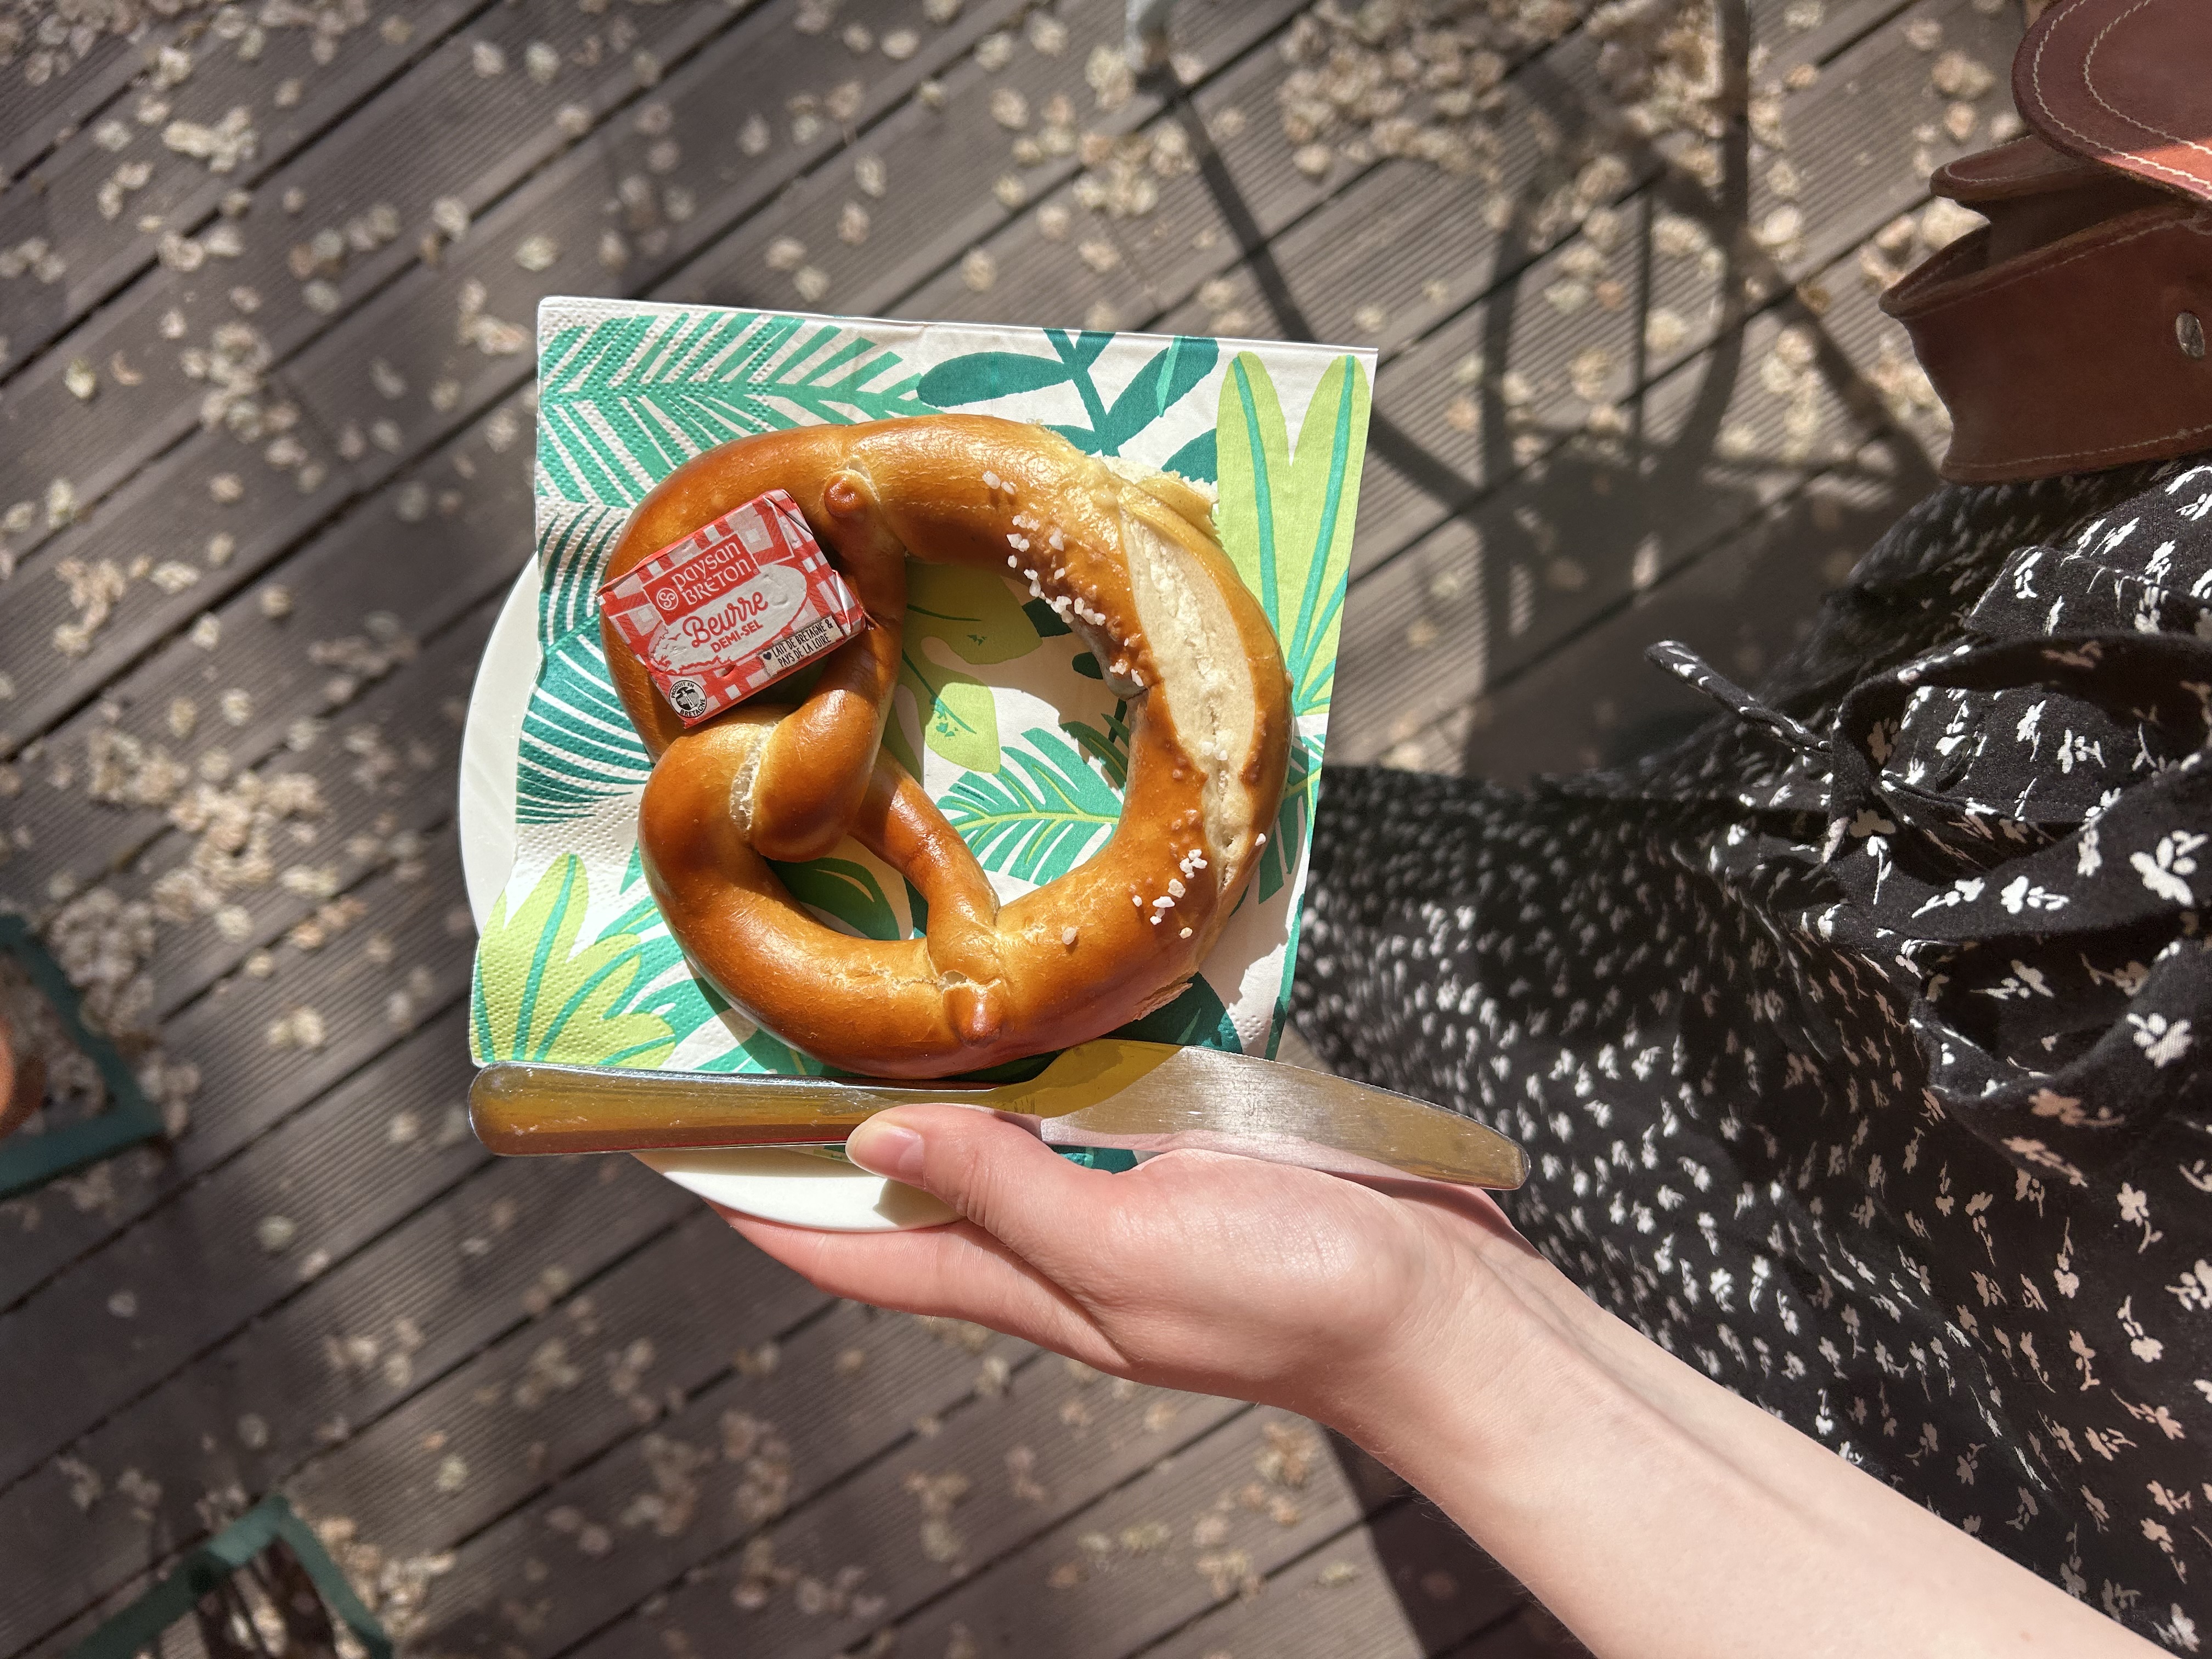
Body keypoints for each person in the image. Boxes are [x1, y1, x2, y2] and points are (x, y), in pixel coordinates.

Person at [729, 0, 2211, 1650]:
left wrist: (1428, 1337)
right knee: (1620, 872)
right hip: (2085, 695)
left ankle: (1442, 905)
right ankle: (1662, 836)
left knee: (1378, 943)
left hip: (1945, 1369)